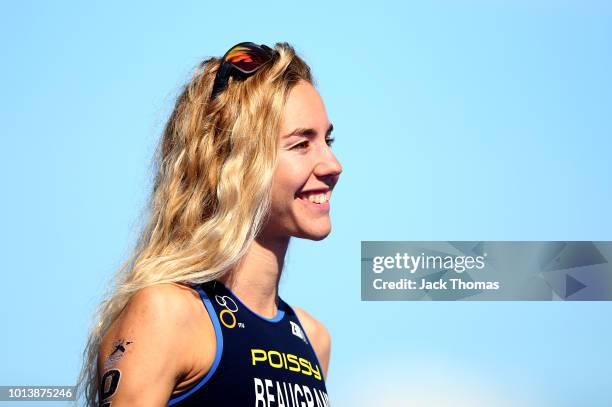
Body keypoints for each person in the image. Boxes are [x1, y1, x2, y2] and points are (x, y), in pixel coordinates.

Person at [77, 41, 342, 406]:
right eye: (301, 144)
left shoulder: (313, 339)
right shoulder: (166, 314)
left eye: (328, 140)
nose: (332, 164)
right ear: (234, 161)